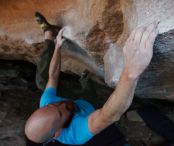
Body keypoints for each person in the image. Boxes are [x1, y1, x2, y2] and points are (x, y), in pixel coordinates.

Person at [25, 11, 158, 145]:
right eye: (60, 113)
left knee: (42, 83)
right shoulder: (75, 134)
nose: (62, 104)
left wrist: (58, 46)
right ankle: (85, 79)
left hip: (77, 101)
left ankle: (48, 34)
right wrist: (131, 72)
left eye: (53, 105)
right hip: (88, 103)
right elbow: (108, 115)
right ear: (57, 133)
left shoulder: (47, 104)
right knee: (89, 93)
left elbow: (53, 75)